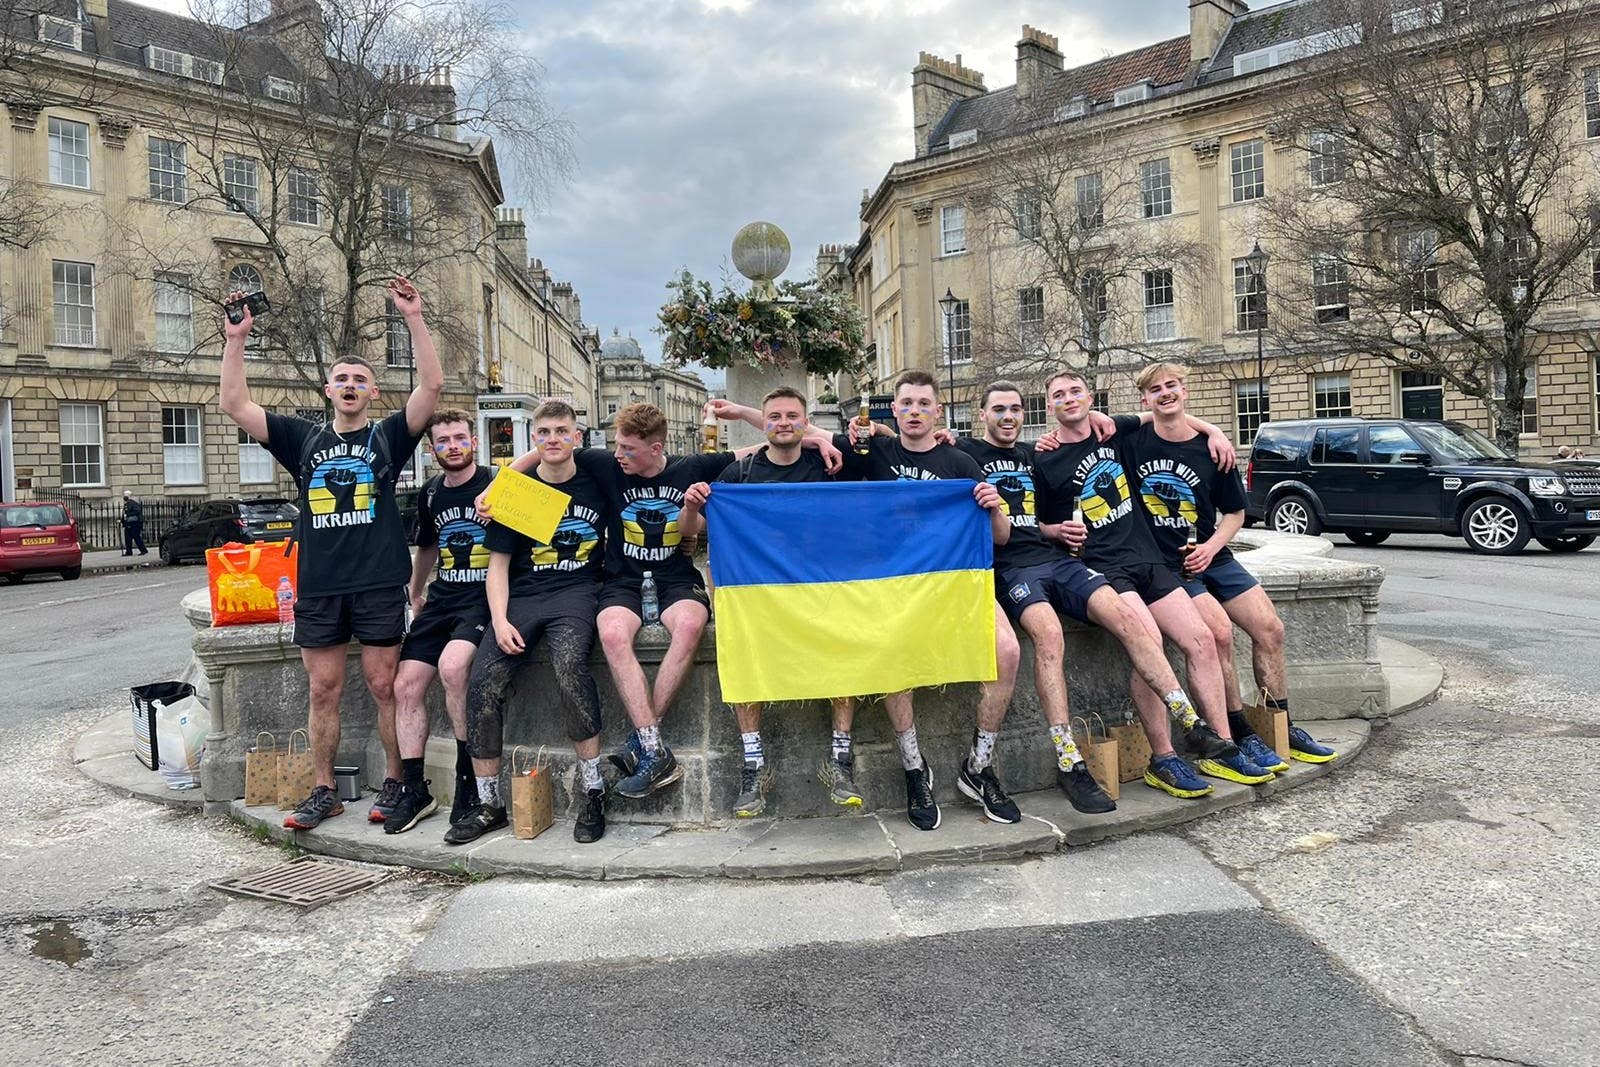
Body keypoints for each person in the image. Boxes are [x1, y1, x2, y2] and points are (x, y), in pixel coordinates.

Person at [491, 402, 841, 805]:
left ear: (656, 449)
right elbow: (544, 450)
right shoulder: (608, 465)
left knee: (691, 625)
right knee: (612, 632)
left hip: (675, 576)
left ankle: (644, 740)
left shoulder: (688, 468)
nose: (619, 455)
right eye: (618, 447)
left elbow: (754, 451)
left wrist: (813, 439)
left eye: (629, 449)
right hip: (621, 579)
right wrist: (495, 488)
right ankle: (656, 750)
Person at [218, 277, 442, 831]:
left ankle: (396, 781)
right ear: (327, 390)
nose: (349, 385)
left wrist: (413, 318)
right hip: (319, 585)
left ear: (372, 394)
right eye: (341, 378)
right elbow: (234, 403)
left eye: (360, 380)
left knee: (383, 685)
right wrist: (235, 338)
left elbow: (432, 387)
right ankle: (324, 791)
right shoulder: (302, 440)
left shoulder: (388, 437)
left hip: (377, 581)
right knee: (323, 689)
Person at [958, 381, 1218, 813]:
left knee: (1128, 619)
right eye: (998, 409)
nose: (1008, 417)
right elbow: (917, 445)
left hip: (1057, 561)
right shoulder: (966, 455)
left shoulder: (1033, 456)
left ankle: (1190, 721)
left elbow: (1037, 518)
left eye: (1016, 409)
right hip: (1011, 571)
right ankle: (1068, 758)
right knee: (1050, 636)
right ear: (981, 415)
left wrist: (1055, 531)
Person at [1032, 369, 1276, 798]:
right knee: (1148, 641)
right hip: (1104, 569)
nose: (1069, 399)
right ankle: (1163, 758)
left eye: (1075, 391)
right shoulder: (1045, 458)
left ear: (1090, 397)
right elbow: (1035, 521)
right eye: (1059, 395)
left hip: (1147, 559)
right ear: (1050, 406)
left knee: (1201, 638)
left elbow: (1164, 416)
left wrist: (1214, 429)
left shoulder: (1115, 432)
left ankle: (1220, 746)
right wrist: (1055, 532)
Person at [832, 369, 1018, 830]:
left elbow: (1002, 537)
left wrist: (994, 506)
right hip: (892, 584)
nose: (915, 411)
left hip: (954, 582)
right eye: (906, 403)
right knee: (894, 657)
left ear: (939, 412)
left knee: (1008, 651)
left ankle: (979, 766)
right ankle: (914, 767)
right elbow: (796, 433)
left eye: (923, 404)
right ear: (893, 411)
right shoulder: (873, 451)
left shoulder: (960, 463)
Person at [1128, 363, 1337, 765]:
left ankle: (1280, 723)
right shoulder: (1135, 441)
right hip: (1166, 565)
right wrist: (1213, 426)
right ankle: (1239, 730)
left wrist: (1210, 546)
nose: (1166, 393)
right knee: (1219, 634)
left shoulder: (1212, 450)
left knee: (1270, 628)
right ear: (1145, 398)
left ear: (1185, 391)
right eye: (1156, 389)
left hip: (1213, 554)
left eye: (1172, 386)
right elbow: (1097, 426)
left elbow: (1235, 514)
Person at [677, 386, 863, 818]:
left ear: (805, 421)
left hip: (818, 587)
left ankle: (840, 758)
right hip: (760, 592)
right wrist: (690, 506)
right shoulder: (741, 474)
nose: (783, 423)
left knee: (845, 651)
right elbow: (690, 529)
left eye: (792, 416)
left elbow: (885, 457)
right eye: (774, 416)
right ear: (764, 422)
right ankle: (753, 764)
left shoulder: (827, 465)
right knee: (743, 657)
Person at [447, 400, 614, 845]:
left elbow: (655, 465)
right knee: (483, 680)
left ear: (577, 436)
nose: (554, 439)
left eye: (562, 431)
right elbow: (496, 565)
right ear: (533, 438)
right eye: (544, 432)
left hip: (577, 593)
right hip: (526, 594)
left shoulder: (597, 476)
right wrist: (499, 621)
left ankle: (593, 789)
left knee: (568, 668)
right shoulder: (520, 492)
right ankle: (489, 802)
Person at [383, 410, 495, 835]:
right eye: (443, 441)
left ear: (474, 443)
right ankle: (416, 789)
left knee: (453, 669)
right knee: (405, 685)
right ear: (433, 450)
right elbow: (428, 547)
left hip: (484, 600)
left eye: (459, 438)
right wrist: (415, 589)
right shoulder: (431, 494)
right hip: (444, 597)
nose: (452, 446)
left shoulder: (494, 484)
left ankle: (469, 784)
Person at [121, 491, 147, 556]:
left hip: (135, 524)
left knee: (136, 537)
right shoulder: (127, 504)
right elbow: (124, 514)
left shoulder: (133, 503)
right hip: (129, 524)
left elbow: (137, 511)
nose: (124, 497)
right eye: (124, 495)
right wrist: (122, 520)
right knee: (128, 538)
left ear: (129, 496)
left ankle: (143, 550)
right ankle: (129, 552)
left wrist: (128, 515)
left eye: (125, 495)